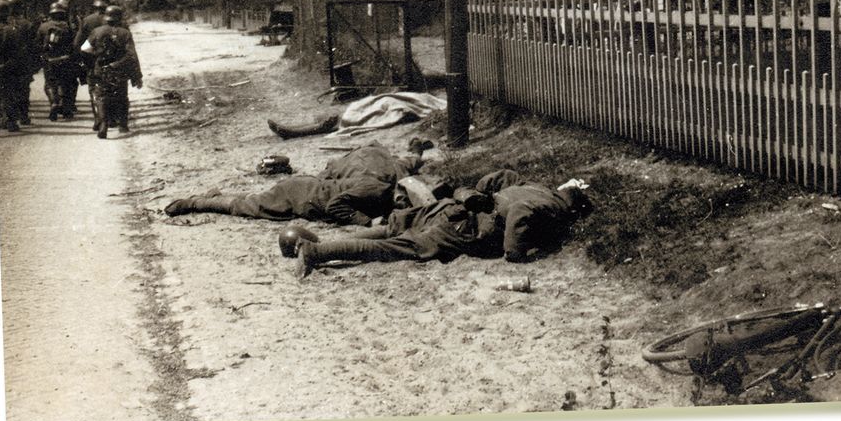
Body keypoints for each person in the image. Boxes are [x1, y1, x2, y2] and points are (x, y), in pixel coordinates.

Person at [294, 172, 593, 278]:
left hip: (453, 207)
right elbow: (520, 211)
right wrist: (514, 253)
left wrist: (481, 195)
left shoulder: (538, 186)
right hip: (470, 229)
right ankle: (315, 252)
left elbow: (500, 177)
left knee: (393, 228)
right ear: (574, 205)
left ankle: (318, 245)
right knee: (396, 247)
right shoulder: (555, 207)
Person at [163, 173, 400, 226]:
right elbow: (334, 205)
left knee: (253, 200)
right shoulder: (377, 192)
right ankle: (195, 203)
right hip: (299, 196)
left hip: (305, 187)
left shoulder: (384, 183)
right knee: (245, 207)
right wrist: (367, 222)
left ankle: (216, 197)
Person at [84, 5, 142, 138]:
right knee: (122, 97)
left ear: (106, 17)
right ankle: (122, 125)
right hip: (119, 69)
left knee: (101, 97)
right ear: (119, 18)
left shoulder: (97, 31)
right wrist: (137, 76)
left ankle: (103, 123)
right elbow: (132, 54)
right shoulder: (125, 33)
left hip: (101, 69)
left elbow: (85, 49)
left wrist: (96, 56)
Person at [36, 1, 79, 120]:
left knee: (50, 84)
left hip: (49, 61)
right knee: (65, 84)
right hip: (65, 60)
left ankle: (54, 102)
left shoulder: (43, 26)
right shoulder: (67, 26)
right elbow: (74, 43)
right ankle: (65, 109)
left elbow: (37, 44)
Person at [75, 0, 111, 131]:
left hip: (92, 61)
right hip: (113, 61)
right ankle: (111, 118)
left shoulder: (87, 20)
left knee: (94, 91)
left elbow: (78, 43)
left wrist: (82, 61)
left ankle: (98, 118)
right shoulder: (117, 20)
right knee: (112, 89)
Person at [6, 0, 39, 125]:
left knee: (8, 91)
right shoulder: (27, 24)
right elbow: (33, 46)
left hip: (7, 63)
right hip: (23, 63)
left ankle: (10, 119)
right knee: (23, 90)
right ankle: (24, 116)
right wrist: (35, 64)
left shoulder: (3, 23)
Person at [0, 0, 23, 134]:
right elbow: (17, 52)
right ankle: (10, 122)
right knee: (9, 95)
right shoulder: (12, 31)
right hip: (7, 67)